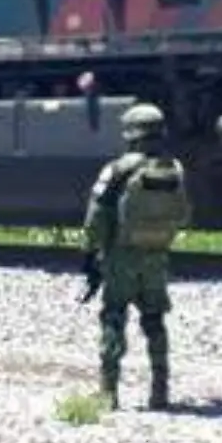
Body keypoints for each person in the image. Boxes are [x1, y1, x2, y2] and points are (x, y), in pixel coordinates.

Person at [81, 101, 191, 411]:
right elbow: (183, 215)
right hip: (156, 256)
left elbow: (96, 217)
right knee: (155, 320)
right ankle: (160, 391)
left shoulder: (117, 169)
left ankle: (108, 392)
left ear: (130, 134)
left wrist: (90, 255)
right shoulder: (174, 169)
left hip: (121, 257)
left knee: (114, 317)